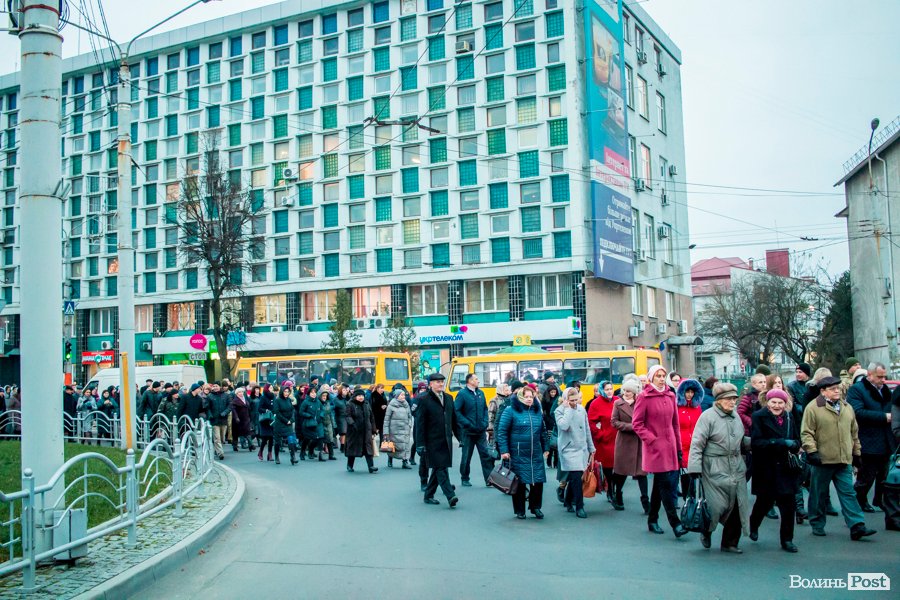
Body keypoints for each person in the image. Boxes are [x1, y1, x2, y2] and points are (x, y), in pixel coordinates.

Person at [800, 375, 876, 540]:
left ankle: (857, 525)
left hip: (843, 459)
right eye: (833, 389)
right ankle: (817, 523)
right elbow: (806, 432)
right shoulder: (813, 407)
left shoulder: (847, 407)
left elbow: (854, 433)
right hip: (822, 459)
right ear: (823, 391)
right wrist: (812, 451)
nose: (837, 391)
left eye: (838, 388)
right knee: (818, 494)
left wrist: (857, 453)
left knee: (848, 493)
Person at [687, 383, 750, 553]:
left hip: (736, 467)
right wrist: (694, 469)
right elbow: (697, 444)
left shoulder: (736, 417)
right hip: (713, 468)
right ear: (719, 400)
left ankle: (730, 543)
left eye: (734, 399)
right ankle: (706, 530)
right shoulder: (707, 417)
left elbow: (740, 441)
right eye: (729, 399)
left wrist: (754, 444)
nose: (733, 402)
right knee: (714, 507)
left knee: (737, 506)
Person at [633, 365, 688, 537]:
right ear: (651, 378)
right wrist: (652, 439)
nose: (662, 379)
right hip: (655, 449)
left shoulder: (670, 395)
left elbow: (675, 424)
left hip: (670, 447)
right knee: (666, 485)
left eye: (664, 375)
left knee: (659, 484)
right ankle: (675, 523)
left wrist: (678, 447)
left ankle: (652, 519)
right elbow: (637, 424)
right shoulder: (644, 397)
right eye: (658, 376)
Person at [749, 389, 801, 552]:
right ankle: (754, 525)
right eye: (773, 402)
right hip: (766, 468)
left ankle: (787, 540)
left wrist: (795, 444)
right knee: (763, 503)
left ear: (785, 404)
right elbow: (756, 443)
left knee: (788, 506)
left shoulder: (789, 416)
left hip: (786, 468)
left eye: (780, 403)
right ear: (767, 402)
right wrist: (781, 442)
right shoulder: (758, 416)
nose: (777, 406)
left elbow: (796, 438)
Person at [845, 362, 895, 513]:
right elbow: (857, 412)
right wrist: (884, 417)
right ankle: (859, 500)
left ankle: (880, 500)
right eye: (879, 377)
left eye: (884, 376)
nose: (883, 380)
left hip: (886, 439)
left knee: (884, 475)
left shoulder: (884, 390)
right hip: (867, 439)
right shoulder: (857, 390)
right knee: (867, 475)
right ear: (870, 375)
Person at [497, 385, 548, 519]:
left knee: (537, 481)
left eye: (531, 397)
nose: (529, 399)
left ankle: (535, 507)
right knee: (519, 482)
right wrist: (504, 450)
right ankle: (520, 510)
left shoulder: (537, 411)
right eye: (526, 397)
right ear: (520, 397)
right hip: (517, 452)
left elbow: (543, 432)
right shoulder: (510, 411)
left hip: (535, 452)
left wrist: (546, 447)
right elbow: (502, 432)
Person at [415, 373, 460, 508]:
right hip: (431, 441)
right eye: (437, 382)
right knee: (440, 467)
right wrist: (420, 444)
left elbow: (453, 420)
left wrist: (460, 437)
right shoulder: (424, 399)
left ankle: (428, 495)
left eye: (442, 382)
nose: (441, 384)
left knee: (438, 468)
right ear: (431, 384)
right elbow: (420, 424)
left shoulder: (448, 398)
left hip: (446, 439)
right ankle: (450, 495)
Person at [555, 387, 595, 518]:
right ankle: (579, 506)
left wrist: (591, 447)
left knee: (575, 477)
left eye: (576, 400)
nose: (574, 403)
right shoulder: (559, 410)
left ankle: (567, 500)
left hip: (581, 448)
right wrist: (568, 409)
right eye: (571, 400)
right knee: (576, 477)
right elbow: (564, 426)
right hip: (568, 449)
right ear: (565, 399)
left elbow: (587, 429)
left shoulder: (582, 409)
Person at [610, 379, 648, 513]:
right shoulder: (618, 403)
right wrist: (632, 427)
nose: (626, 393)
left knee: (642, 473)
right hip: (624, 441)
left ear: (635, 392)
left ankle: (645, 501)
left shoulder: (641, 402)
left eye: (629, 391)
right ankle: (618, 494)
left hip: (639, 442)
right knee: (621, 471)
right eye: (624, 390)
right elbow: (614, 422)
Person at [454, 373, 494, 487]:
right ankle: (465, 478)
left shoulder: (480, 393)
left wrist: (485, 422)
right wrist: (467, 423)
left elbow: (485, 409)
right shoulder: (462, 394)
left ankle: (489, 479)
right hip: (468, 432)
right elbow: (457, 411)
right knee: (466, 456)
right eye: (476, 379)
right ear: (470, 381)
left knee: (486, 455)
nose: (478, 381)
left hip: (480, 431)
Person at [587, 380, 618, 506]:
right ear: (602, 391)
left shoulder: (617, 401)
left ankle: (615, 490)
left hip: (618, 439)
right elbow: (591, 422)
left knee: (619, 468)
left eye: (611, 389)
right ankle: (610, 490)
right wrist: (601, 435)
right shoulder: (596, 403)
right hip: (605, 442)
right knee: (608, 468)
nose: (609, 391)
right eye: (606, 389)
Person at [676, 379, 703, 499]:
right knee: (682, 476)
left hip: (694, 445)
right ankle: (683, 500)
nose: (690, 394)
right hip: (680, 446)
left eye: (692, 392)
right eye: (687, 392)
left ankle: (690, 500)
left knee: (691, 475)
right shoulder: (676, 407)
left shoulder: (697, 407)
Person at [344, 388, 378, 473]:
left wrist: (373, 429)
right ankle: (349, 465)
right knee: (353, 449)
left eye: (362, 395)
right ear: (355, 396)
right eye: (359, 396)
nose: (361, 397)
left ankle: (371, 466)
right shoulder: (350, 404)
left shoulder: (366, 404)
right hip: (354, 431)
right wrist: (352, 424)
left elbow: (371, 417)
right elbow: (347, 416)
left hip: (366, 431)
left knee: (368, 449)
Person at [383, 390, 414, 469]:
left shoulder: (406, 404)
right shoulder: (391, 405)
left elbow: (409, 416)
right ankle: (390, 459)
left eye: (404, 395)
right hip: (394, 430)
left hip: (405, 429)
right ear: (397, 396)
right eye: (401, 395)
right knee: (393, 446)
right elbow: (387, 419)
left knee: (405, 445)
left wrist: (409, 425)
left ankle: (405, 461)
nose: (403, 396)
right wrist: (386, 432)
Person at [273, 386, 297, 465]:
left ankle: (293, 457)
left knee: (291, 439)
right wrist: (286, 421)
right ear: (282, 392)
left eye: (288, 392)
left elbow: (292, 410)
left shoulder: (289, 400)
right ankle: (276, 456)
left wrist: (291, 419)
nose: (286, 393)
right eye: (285, 391)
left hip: (288, 423)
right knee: (277, 442)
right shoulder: (277, 400)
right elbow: (277, 412)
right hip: (280, 423)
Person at [206, 382, 230, 460]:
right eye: (214, 386)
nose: (215, 387)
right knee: (217, 438)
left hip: (223, 419)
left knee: (222, 438)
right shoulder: (210, 396)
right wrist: (210, 414)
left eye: (217, 386)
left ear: (220, 387)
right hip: (214, 420)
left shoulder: (226, 395)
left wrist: (225, 412)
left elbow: (230, 406)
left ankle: (217, 449)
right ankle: (220, 453)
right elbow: (207, 407)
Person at [298, 391, 324, 461]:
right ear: (309, 394)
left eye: (315, 392)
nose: (314, 394)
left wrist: (321, 415)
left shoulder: (318, 401)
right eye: (312, 393)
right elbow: (301, 412)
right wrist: (308, 415)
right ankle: (302, 452)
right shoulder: (305, 402)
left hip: (318, 423)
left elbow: (322, 409)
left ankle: (314, 452)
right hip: (309, 423)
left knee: (319, 438)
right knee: (307, 438)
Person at [231, 387, 253, 452]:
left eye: (242, 392)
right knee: (236, 434)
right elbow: (234, 410)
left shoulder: (245, 400)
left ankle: (251, 445)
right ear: (236, 394)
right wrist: (236, 417)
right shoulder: (235, 401)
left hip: (246, 419)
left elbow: (249, 409)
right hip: (238, 420)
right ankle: (235, 445)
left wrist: (250, 417)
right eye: (239, 392)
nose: (241, 393)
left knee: (247, 432)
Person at [257, 386, 276, 462]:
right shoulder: (263, 397)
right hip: (265, 419)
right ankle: (260, 452)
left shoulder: (273, 396)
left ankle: (269, 454)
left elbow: (275, 406)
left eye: (272, 388)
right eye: (270, 388)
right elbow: (259, 408)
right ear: (267, 389)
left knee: (271, 437)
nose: (272, 389)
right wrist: (266, 410)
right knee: (265, 438)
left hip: (272, 419)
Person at [317, 389, 337, 461]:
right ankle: (319, 455)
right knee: (320, 439)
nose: (324, 397)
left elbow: (331, 414)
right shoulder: (317, 403)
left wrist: (333, 424)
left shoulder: (328, 403)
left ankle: (331, 455)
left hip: (328, 422)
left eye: (325, 396)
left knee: (330, 438)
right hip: (320, 422)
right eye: (323, 395)